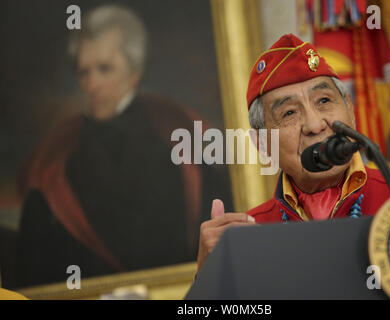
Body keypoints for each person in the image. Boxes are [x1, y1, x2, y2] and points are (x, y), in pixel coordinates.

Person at [15, 5, 231, 288]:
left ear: (134, 72)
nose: (92, 84)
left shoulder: (174, 136)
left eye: (104, 69)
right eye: (83, 73)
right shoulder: (59, 156)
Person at [196, 34, 390, 271]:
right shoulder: (247, 237)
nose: (315, 125)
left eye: (324, 101)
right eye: (289, 113)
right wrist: (210, 278)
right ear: (263, 144)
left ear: (350, 108)